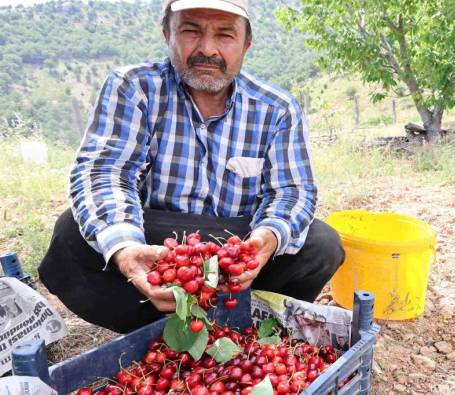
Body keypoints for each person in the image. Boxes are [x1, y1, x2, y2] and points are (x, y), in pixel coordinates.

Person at [38, 0, 344, 334]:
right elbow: (105, 173)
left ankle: (236, 326)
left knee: (321, 245)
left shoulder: (277, 109)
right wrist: (126, 250)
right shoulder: (134, 88)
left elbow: (292, 191)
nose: (207, 49)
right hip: (158, 247)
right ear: (167, 33)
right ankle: (163, 331)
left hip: (236, 245)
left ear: (246, 44)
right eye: (190, 31)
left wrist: (267, 237)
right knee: (71, 238)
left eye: (225, 35)